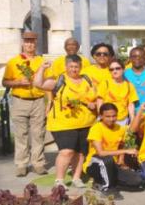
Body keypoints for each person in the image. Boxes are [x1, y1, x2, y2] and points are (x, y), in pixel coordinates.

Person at [33, 55, 97, 190]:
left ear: (80, 67)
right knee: (66, 151)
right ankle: (59, 180)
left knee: (80, 153)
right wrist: (41, 69)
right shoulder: (59, 81)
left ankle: (76, 178)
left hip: (86, 122)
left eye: (76, 67)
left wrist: (94, 104)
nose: (74, 69)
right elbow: (38, 84)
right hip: (63, 124)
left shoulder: (87, 80)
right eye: (71, 67)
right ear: (66, 67)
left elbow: (97, 97)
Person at [2, 31, 48, 177]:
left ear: (36, 43)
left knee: (38, 133)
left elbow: (48, 82)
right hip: (19, 100)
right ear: (23, 43)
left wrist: (50, 102)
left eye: (32, 41)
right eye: (27, 41)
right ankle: (21, 164)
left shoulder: (42, 61)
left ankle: (38, 163)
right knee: (21, 134)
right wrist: (17, 82)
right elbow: (5, 82)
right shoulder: (14, 61)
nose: (30, 44)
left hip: (38, 100)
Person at [84, 103, 141, 198]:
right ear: (101, 116)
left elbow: (122, 144)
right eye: (108, 116)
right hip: (95, 164)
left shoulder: (120, 128)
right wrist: (125, 152)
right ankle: (107, 188)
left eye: (114, 116)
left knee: (137, 180)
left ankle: (103, 182)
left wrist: (121, 160)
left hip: (113, 165)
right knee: (107, 159)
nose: (111, 119)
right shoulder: (96, 128)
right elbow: (100, 153)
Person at [96, 60, 138, 125]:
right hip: (106, 119)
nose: (114, 71)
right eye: (111, 69)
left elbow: (130, 104)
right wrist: (102, 117)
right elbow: (99, 101)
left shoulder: (129, 85)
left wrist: (132, 119)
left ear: (123, 69)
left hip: (122, 120)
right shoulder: (105, 83)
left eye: (117, 68)